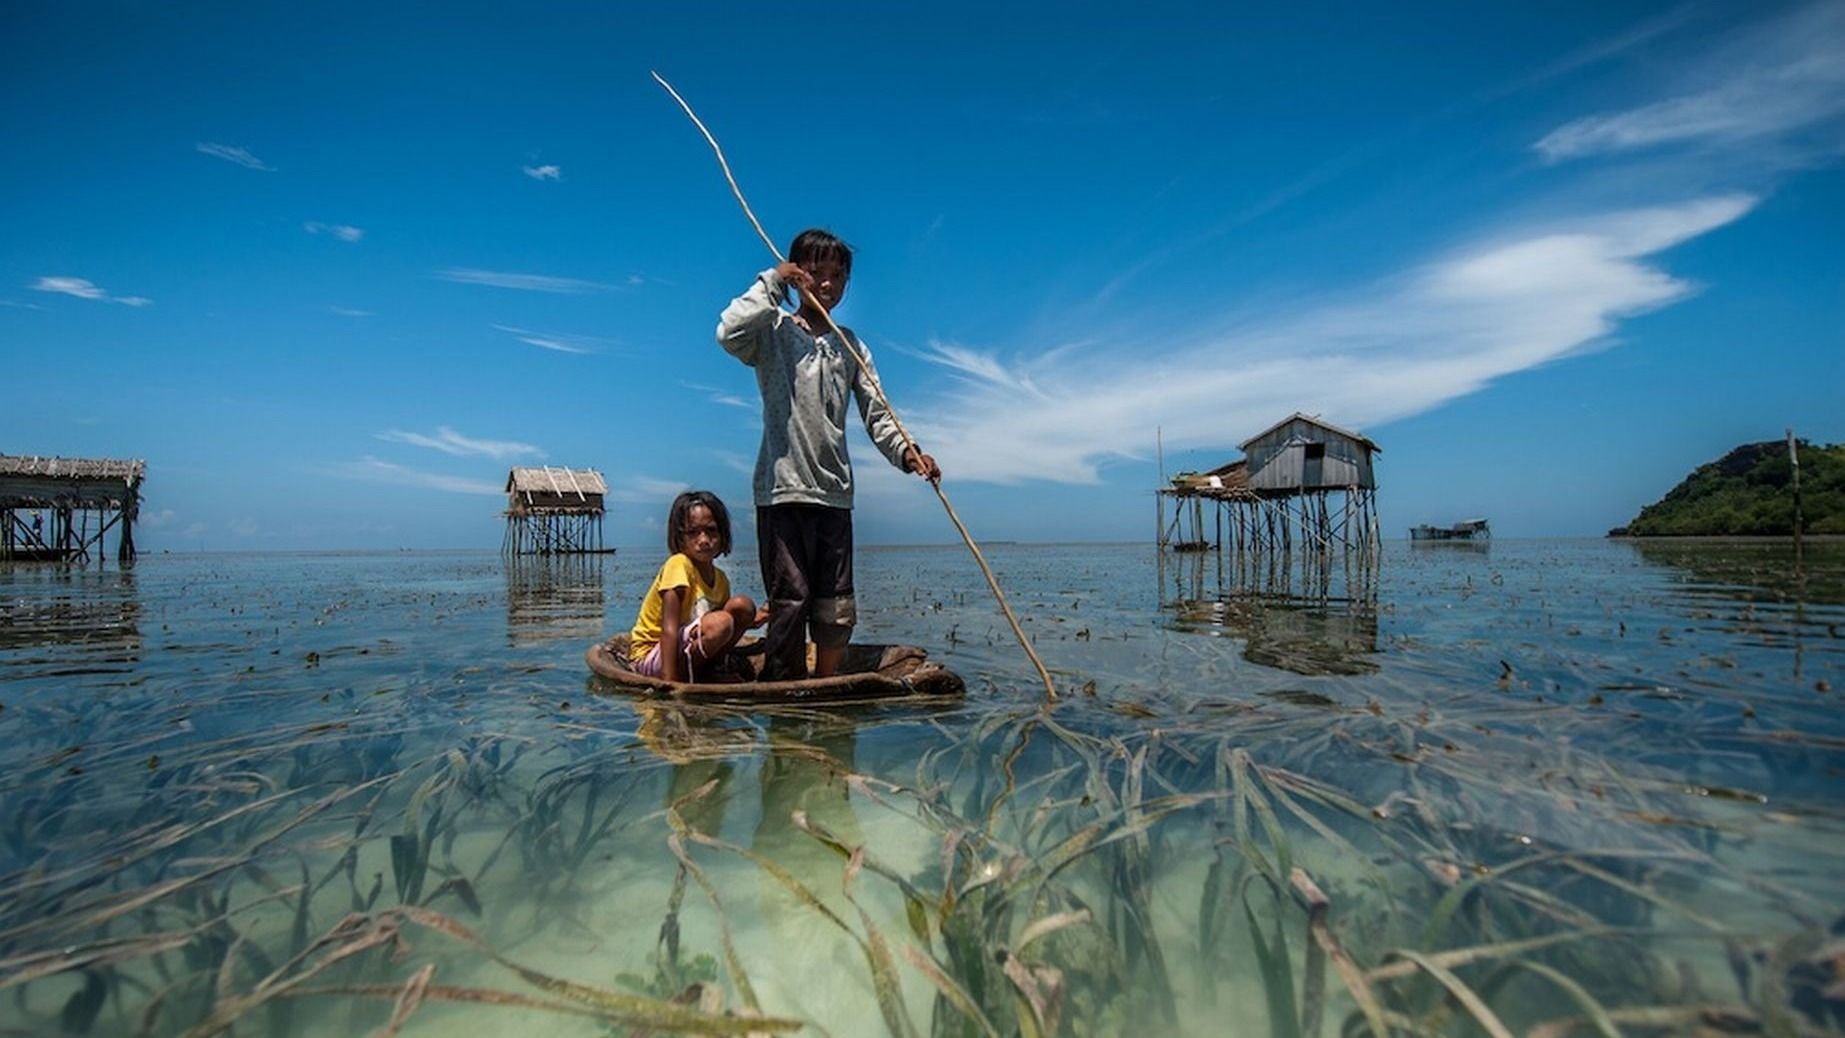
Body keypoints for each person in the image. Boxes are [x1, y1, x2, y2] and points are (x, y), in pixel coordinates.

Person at [717, 228, 940, 681]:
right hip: (782, 491)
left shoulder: (852, 346)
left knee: (836, 603)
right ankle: (786, 689)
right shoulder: (772, 333)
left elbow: (879, 414)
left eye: (837, 275)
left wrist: (908, 453)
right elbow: (728, 330)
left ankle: (827, 685)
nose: (827, 283)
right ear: (798, 275)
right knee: (791, 599)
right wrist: (773, 282)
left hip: (835, 494)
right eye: (815, 273)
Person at [628, 490, 763, 683]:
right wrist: (669, 682)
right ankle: (687, 675)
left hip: (685, 649)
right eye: (693, 533)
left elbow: (723, 628)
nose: (704, 540)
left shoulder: (721, 579)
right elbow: (669, 629)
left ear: (722, 534)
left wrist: (756, 618)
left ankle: (712, 668)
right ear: (680, 537)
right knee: (720, 623)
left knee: (742, 606)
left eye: (711, 531)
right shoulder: (679, 564)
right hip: (654, 654)